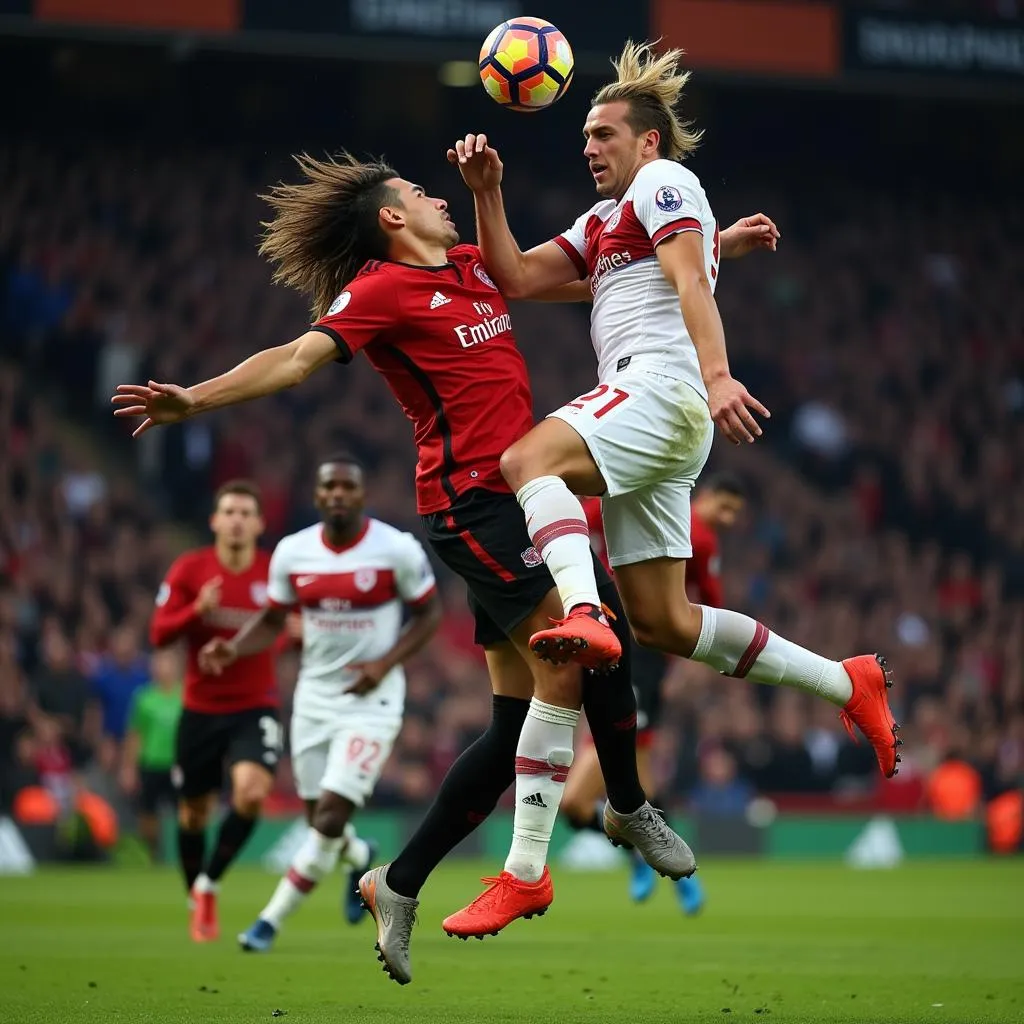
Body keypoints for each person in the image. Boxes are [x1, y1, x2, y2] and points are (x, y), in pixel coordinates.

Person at [111, 152, 697, 984]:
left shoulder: (468, 265)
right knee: (590, 642)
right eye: (420, 194)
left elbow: (588, 276)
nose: (435, 197)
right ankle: (623, 810)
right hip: (473, 503)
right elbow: (294, 359)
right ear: (393, 218)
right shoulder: (382, 290)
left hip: (521, 493)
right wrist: (194, 399)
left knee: (515, 721)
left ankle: (401, 881)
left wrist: (709, 248)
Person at [448, 41, 901, 782]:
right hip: (657, 412)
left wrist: (718, 375)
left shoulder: (664, 179)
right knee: (663, 621)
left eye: (604, 134)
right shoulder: (605, 220)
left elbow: (688, 283)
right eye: (585, 136)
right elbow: (520, 278)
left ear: (647, 139)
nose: (589, 146)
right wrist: (486, 192)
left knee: (526, 460)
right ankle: (847, 682)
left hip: (660, 386)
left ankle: (586, 612)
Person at [198, 456, 441, 953]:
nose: (336, 494)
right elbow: (272, 620)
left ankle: (269, 920)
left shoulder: (394, 549)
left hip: (372, 700)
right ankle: (361, 855)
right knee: (320, 823)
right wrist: (233, 645)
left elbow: (430, 614)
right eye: (328, 486)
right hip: (314, 698)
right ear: (317, 496)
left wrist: (384, 663)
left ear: (360, 494)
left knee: (329, 817)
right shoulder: (293, 552)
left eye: (346, 487)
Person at [564, 472, 746, 913]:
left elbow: (713, 604)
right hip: (608, 641)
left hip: (641, 657)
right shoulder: (636, 509)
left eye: (737, 515)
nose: (729, 520)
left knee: (580, 799)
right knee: (638, 782)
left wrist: (694, 659)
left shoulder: (701, 541)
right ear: (706, 495)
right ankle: (664, 863)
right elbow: (572, 525)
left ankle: (656, 861)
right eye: (725, 508)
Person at [149, 479, 284, 942]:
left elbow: (285, 628)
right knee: (193, 815)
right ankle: (196, 897)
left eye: (247, 512)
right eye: (229, 511)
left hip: (255, 705)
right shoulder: (190, 569)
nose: (237, 520)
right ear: (215, 521)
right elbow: (159, 634)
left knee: (250, 792)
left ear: (260, 523)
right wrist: (195, 611)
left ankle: (210, 883)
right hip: (201, 709)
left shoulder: (274, 571)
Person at [118, 648, 184, 861]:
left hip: (177, 765)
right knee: (148, 813)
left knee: (182, 812)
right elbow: (135, 735)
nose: (161, 667)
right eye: (158, 662)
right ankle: (153, 853)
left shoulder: (185, 696)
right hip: (151, 763)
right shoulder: (144, 698)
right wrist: (128, 767)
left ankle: (181, 854)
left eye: (166, 662)